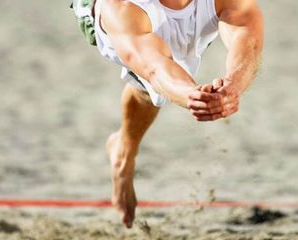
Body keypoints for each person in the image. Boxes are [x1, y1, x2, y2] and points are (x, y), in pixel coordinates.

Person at [75, 0, 264, 228]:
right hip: (125, 21)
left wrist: (233, 86)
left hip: (170, 17)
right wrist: (192, 96)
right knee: (153, 82)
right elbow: (154, 69)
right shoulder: (120, 7)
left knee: (150, 89)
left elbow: (247, 36)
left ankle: (122, 146)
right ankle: (124, 154)